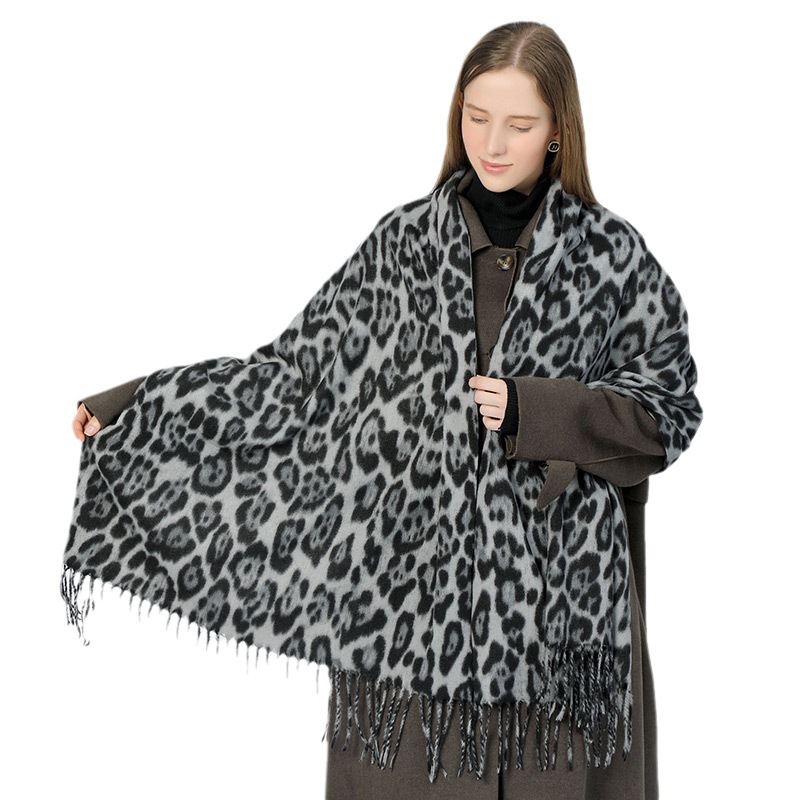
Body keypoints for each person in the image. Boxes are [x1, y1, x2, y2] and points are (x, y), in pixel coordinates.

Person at [69, 21, 701, 800]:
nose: (492, 143)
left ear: (558, 131)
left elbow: (667, 410)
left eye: (519, 124)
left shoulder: (612, 258)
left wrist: (533, 411)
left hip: (563, 621)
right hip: (409, 604)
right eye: (476, 117)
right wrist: (137, 405)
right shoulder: (401, 247)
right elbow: (294, 381)